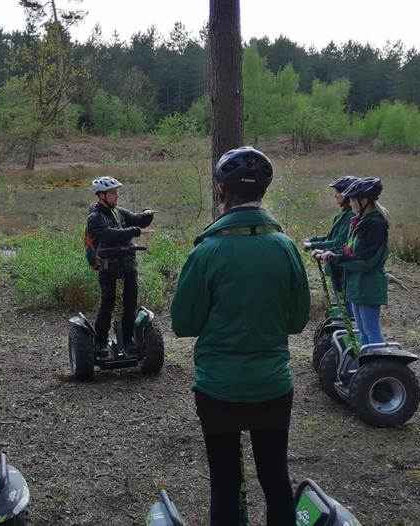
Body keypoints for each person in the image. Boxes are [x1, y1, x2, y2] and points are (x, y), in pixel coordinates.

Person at [171, 146, 310, 526]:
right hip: (272, 384)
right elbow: (297, 321)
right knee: (275, 478)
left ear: (220, 189)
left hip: (218, 389)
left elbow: (184, 323)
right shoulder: (286, 249)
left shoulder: (207, 251)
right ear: (264, 192)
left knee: (225, 484)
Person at [318, 177, 390, 346]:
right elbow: (350, 249)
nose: (350, 203)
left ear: (363, 200)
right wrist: (332, 253)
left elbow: (366, 260)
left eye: (352, 199)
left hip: (368, 285)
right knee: (362, 333)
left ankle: (379, 368)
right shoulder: (360, 222)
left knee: (372, 333)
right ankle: (365, 369)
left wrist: (337, 258)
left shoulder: (375, 224)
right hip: (356, 285)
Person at [86, 176, 154, 353]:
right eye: (113, 192)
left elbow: (137, 220)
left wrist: (146, 215)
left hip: (128, 264)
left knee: (130, 303)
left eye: (117, 192)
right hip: (108, 266)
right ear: (101, 195)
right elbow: (108, 234)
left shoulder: (119, 212)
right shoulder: (95, 217)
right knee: (107, 304)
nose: (117, 195)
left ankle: (128, 340)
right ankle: (101, 341)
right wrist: (136, 231)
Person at [302, 176, 357, 293]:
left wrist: (312, 245)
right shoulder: (343, 215)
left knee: (344, 302)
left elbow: (339, 242)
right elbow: (330, 238)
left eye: (338, 192)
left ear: (347, 195)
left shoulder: (350, 216)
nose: (335, 195)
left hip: (342, 267)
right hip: (336, 265)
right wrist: (312, 240)